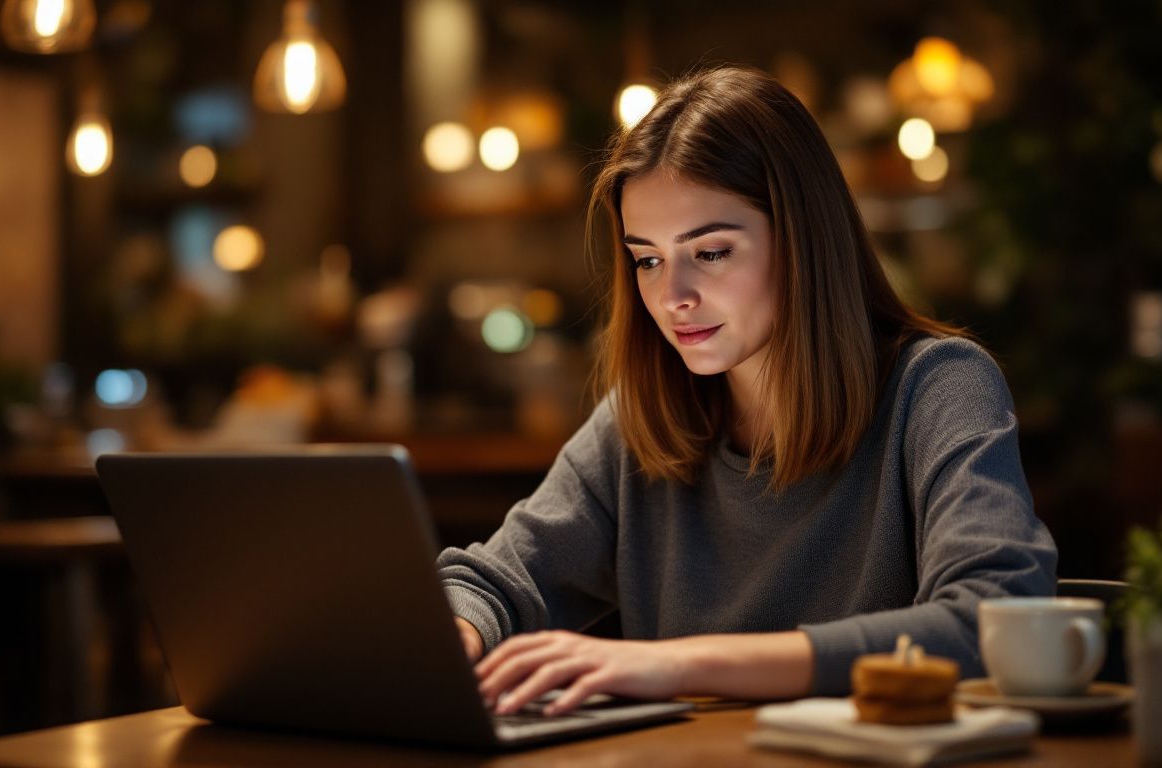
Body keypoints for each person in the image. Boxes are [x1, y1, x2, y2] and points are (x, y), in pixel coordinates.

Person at [437, 65, 1057, 717]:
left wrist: (678, 664)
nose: (672, 295)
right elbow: (491, 583)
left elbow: (996, 619)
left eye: (709, 252)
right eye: (647, 259)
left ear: (803, 240)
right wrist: (454, 637)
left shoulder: (937, 390)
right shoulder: (643, 421)